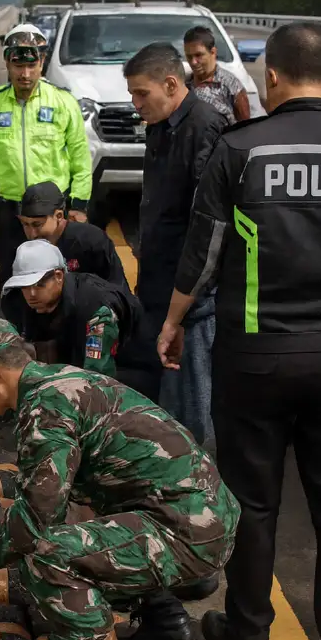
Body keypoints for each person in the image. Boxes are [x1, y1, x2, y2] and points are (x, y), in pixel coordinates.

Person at [157, 23, 321, 640]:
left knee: (252, 504)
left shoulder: (241, 151)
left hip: (255, 361)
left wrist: (171, 322)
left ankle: (246, 634)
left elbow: (203, 253)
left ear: (271, 76)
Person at [0, 319, 239, 640]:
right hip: (198, 515)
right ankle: (165, 625)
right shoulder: (61, 379)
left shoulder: (44, 410)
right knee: (78, 522)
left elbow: (37, 519)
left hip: (188, 531)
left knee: (46, 556)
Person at [125, 41, 226, 444]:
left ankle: (202, 489)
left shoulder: (205, 128)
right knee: (167, 394)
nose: (134, 103)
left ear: (170, 83)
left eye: (141, 93)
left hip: (190, 295)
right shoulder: (161, 126)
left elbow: (206, 228)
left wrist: (184, 304)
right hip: (160, 281)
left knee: (194, 400)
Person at [0, 23, 92, 295]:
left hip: (53, 211)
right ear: (7, 63)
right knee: (10, 274)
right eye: (18, 66)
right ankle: (15, 332)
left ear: (42, 62)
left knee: (57, 275)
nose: (25, 74)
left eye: (32, 66)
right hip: (11, 210)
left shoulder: (63, 102)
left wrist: (80, 204)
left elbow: (79, 157)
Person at [0, 239, 141, 378]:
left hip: (127, 368)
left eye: (39, 285)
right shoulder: (21, 299)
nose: (32, 294)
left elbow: (98, 377)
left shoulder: (94, 308)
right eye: (25, 287)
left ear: (59, 276)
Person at [18, 181, 128, 290]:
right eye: (25, 224)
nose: (32, 234)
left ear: (59, 216)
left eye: (37, 224)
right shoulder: (24, 248)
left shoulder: (91, 241)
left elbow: (119, 292)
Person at [183, 26, 252, 125]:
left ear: (213, 52)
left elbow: (245, 128)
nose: (193, 62)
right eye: (189, 57)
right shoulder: (184, 84)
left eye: (199, 55)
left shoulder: (232, 85)